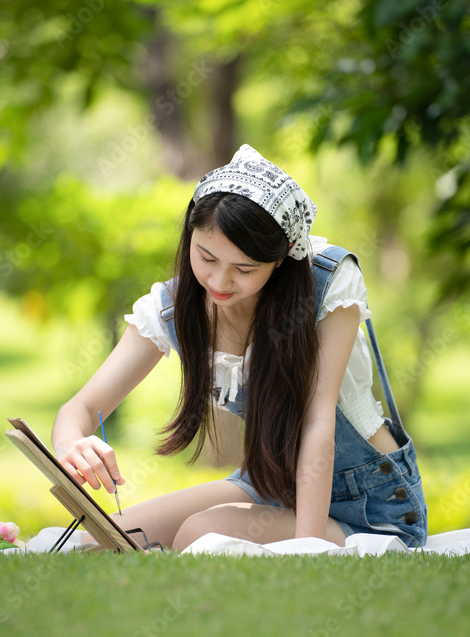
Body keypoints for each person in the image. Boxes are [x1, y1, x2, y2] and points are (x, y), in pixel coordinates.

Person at [52, 144, 428, 552]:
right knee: (99, 542)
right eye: (206, 257)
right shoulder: (173, 308)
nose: (219, 282)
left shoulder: (326, 284)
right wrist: (74, 444)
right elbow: (82, 408)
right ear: (190, 236)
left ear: (281, 258)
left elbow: (318, 424)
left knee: (200, 534)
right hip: (270, 487)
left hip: (369, 506)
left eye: (244, 269)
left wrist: (307, 551)